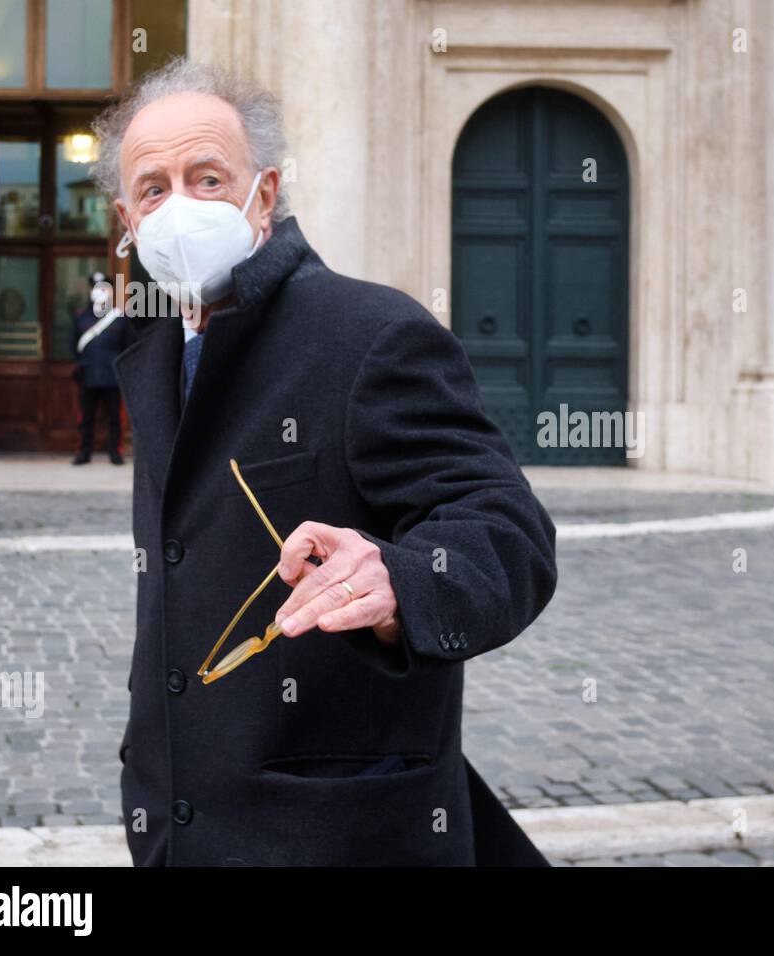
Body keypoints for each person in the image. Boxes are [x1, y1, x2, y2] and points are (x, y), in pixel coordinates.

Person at [93, 57, 557, 866]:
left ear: (263, 195)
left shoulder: (371, 332)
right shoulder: (159, 348)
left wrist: (401, 583)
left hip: (334, 833)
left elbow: (507, 530)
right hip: (182, 827)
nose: (180, 206)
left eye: (207, 178)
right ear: (126, 217)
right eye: (154, 188)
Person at [71, 272, 128, 465]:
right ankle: (84, 452)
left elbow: (128, 346)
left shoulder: (119, 318)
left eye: (104, 288)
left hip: (112, 377)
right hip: (88, 376)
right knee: (85, 418)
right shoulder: (81, 318)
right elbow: (73, 347)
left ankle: (115, 453)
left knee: (115, 419)